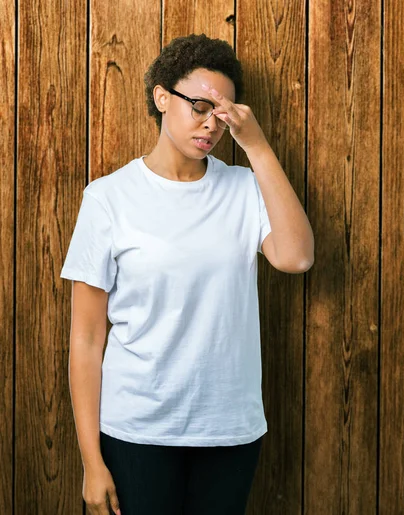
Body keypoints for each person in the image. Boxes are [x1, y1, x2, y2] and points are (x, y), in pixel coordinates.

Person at [60, 33, 314, 515]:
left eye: (221, 112)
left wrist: (256, 146)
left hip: (229, 432)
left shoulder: (244, 188)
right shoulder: (108, 198)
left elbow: (296, 257)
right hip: (137, 430)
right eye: (199, 105)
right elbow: (87, 340)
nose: (210, 122)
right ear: (161, 97)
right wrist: (91, 462)